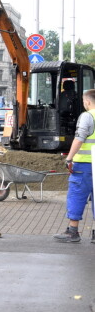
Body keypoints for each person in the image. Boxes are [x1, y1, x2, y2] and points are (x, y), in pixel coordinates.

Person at [53, 89, 95, 243]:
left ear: (88, 102)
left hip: (84, 165)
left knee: (77, 195)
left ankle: (73, 231)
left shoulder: (87, 116)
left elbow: (79, 138)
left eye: (84, 101)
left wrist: (69, 159)